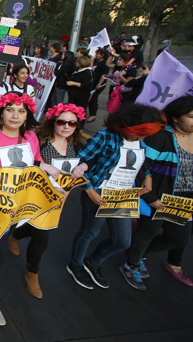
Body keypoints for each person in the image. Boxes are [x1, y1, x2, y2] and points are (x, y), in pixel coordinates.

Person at [0, 92, 59, 326]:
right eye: (10, 110)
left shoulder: (31, 136)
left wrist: (47, 169)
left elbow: (35, 162)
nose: (15, 115)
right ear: (1, 113)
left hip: (19, 204)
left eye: (21, 111)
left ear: (27, 115)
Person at [67, 103, 166, 290]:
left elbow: (142, 165)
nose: (143, 138)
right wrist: (90, 191)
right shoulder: (105, 137)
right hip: (99, 192)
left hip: (124, 195)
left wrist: (147, 177)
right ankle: (76, 265)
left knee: (122, 240)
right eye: (141, 133)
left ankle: (93, 262)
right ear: (130, 126)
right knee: (90, 232)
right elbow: (79, 162)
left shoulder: (140, 142)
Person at [12, 103, 86, 298]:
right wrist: (43, 166)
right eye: (62, 121)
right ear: (53, 121)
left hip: (58, 199)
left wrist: (84, 166)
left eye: (72, 123)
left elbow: (90, 159)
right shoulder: (39, 139)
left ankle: (20, 247)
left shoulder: (76, 145)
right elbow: (22, 160)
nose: (66, 126)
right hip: (33, 194)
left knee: (38, 231)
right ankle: (32, 273)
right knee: (35, 234)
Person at [123, 96, 193, 290]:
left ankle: (135, 252)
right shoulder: (161, 137)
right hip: (159, 198)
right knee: (147, 233)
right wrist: (150, 198)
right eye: (191, 116)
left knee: (178, 238)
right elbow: (140, 167)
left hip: (184, 200)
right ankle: (132, 264)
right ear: (176, 118)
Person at [88, 48, 110, 123]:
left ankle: (92, 115)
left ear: (103, 55)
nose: (96, 55)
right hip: (93, 83)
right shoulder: (97, 62)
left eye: (97, 54)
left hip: (99, 84)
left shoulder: (104, 63)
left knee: (93, 99)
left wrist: (99, 84)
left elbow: (104, 75)